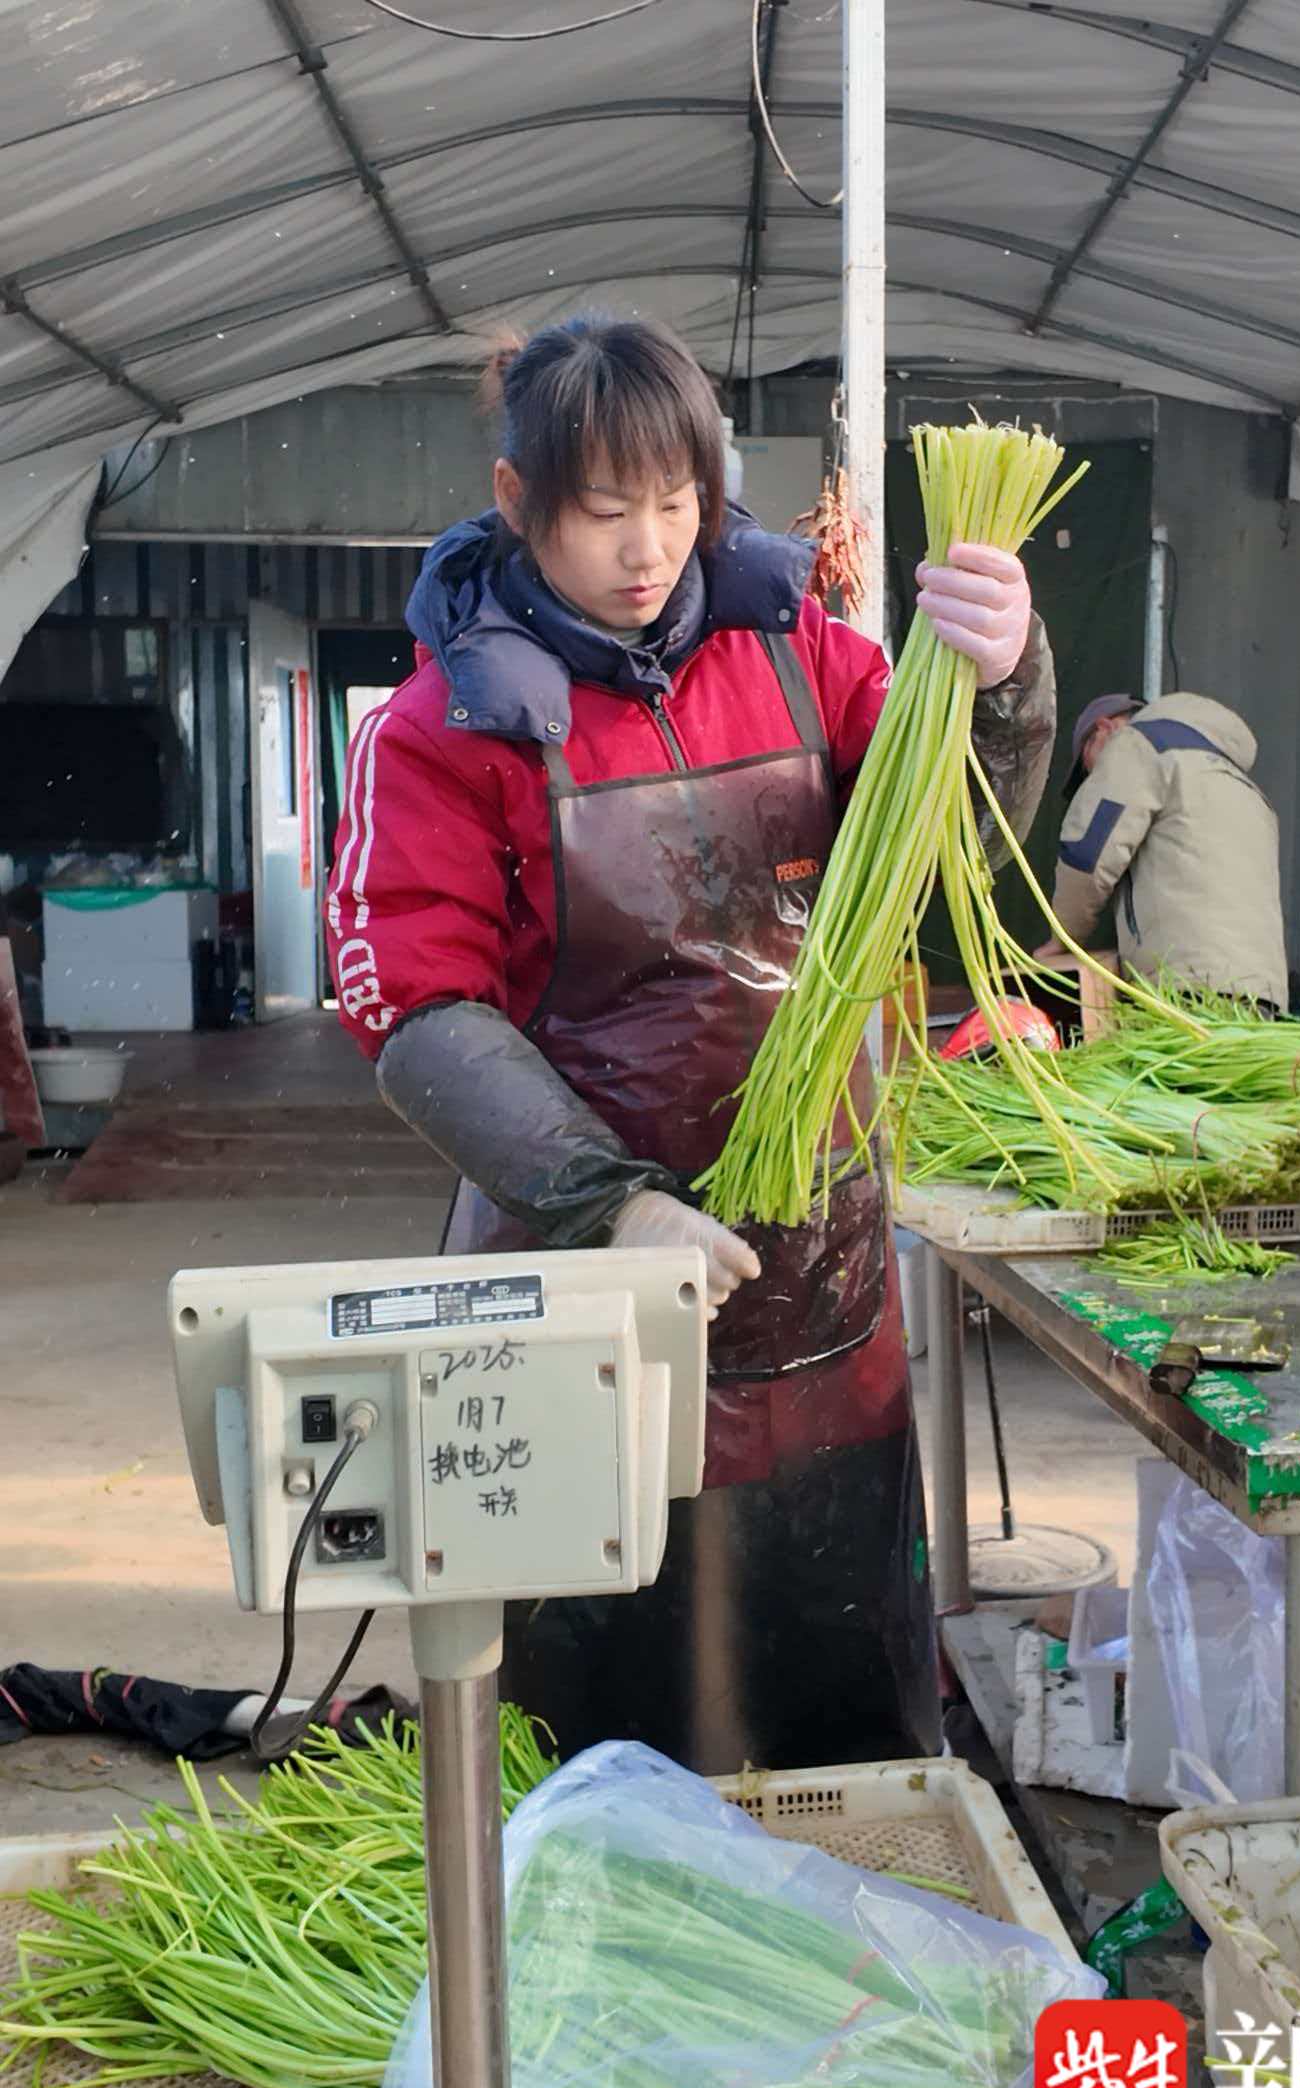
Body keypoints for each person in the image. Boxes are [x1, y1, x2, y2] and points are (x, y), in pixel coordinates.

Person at [326, 311, 1058, 1774]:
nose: (648, 547)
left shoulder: (798, 652)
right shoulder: (443, 729)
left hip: (819, 1273)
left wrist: (1006, 684)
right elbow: (418, 1006)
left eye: (677, 503)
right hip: (582, 1288)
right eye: (605, 511)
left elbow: (947, 847)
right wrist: (611, 1203)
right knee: (601, 1735)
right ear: (517, 497)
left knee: (838, 1712)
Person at [1047, 688, 1289, 1012]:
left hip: (1186, 988)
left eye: (1086, 766)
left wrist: (1062, 939)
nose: (1091, 777)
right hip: (1261, 995)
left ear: (1104, 729)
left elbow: (1087, 856)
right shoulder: (1242, 785)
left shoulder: (1135, 745)